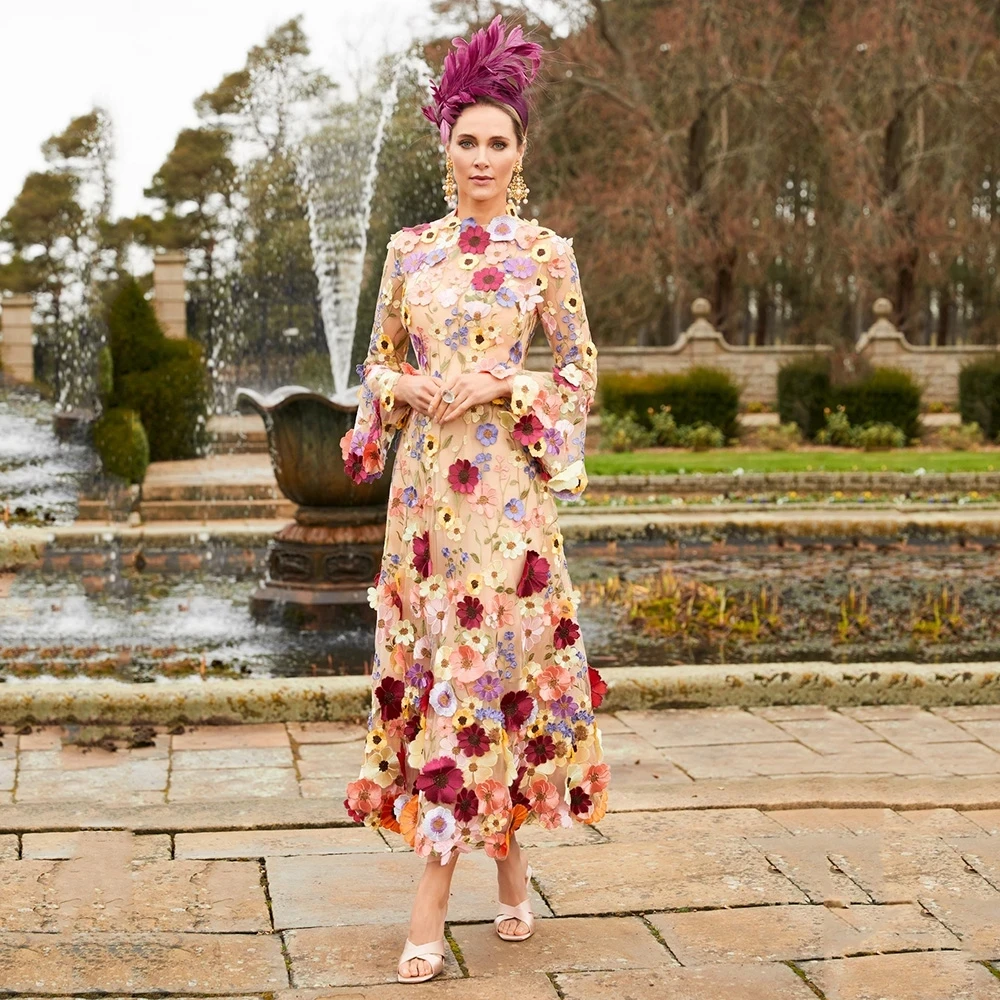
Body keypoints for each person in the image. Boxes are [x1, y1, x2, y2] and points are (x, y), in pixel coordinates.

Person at [341, 15, 610, 985]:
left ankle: (429, 900)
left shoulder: (547, 252)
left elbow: (579, 372)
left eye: (499, 141)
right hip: (422, 504)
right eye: (468, 139)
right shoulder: (409, 251)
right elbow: (375, 363)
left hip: (504, 500)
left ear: (521, 150)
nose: (483, 156)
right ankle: (509, 865)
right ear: (444, 146)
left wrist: (505, 385)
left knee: (488, 663)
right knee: (444, 668)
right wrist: (402, 389)